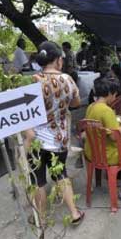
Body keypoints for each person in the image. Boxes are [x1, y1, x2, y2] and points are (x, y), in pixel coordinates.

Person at [30, 41, 84, 225]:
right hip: (59, 139)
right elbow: (76, 103)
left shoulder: (34, 80)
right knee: (61, 175)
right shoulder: (68, 79)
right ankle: (74, 213)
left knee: (38, 180)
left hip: (36, 139)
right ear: (59, 60)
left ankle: (42, 219)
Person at [84, 77, 121, 200]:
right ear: (110, 94)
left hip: (91, 151)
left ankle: (119, 178)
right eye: (115, 94)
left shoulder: (91, 106)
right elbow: (115, 136)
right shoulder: (106, 110)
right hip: (105, 153)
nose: (115, 97)